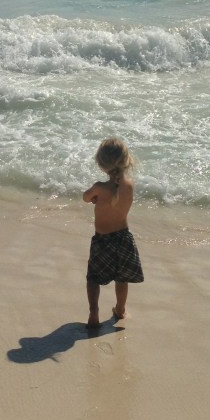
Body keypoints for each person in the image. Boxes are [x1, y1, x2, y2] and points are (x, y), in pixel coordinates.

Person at [83, 138, 143, 328]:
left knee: (93, 278)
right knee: (122, 278)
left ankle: (94, 312)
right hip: (124, 238)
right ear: (126, 160)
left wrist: (95, 198)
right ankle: (120, 309)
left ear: (101, 164)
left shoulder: (99, 188)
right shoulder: (130, 185)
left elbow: (85, 197)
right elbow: (118, 199)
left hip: (102, 240)